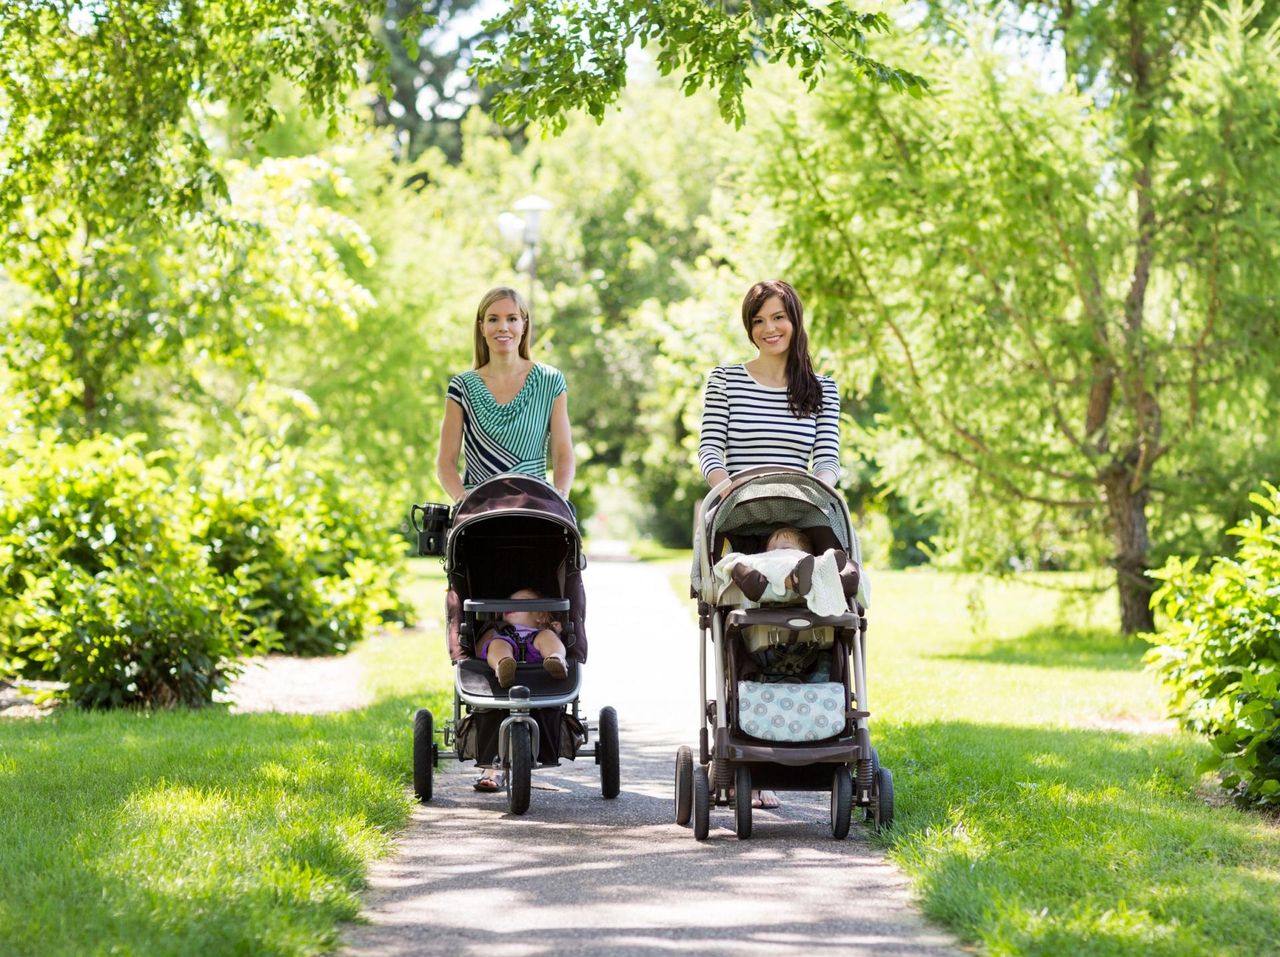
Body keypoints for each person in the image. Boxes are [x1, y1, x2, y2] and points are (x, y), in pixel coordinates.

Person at [698, 279, 843, 810]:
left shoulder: (820, 387)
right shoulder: (726, 381)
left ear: (795, 320)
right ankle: (756, 568)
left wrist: (823, 488)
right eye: (758, 320)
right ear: (749, 326)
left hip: (793, 509)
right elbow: (710, 450)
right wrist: (727, 487)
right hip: (740, 508)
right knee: (753, 557)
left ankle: (809, 567)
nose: (769, 329)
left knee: (788, 540)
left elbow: (826, 458)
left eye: (778, 317)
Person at [436, 285, 576, 791]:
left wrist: (556, 501)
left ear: (524, 326)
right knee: (483, 614)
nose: (503, 327)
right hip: (483, 519)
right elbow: (446, 464)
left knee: (546, 599)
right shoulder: (463, 387)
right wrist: (464, 505)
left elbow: (564, 456)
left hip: (538, 515)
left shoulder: (549, 381)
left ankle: (554, 676)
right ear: (481, 326)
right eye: (493, 319)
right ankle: (490, 755)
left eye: (512, 319)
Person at [478, 588, 570, 688]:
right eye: (508, 602)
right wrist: (490, 635)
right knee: (496, 644)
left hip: (538, 651)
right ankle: (503, 667)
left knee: (548, 636)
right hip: (507, 648)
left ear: (540, 615)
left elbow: (554, 640)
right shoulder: (497, 630)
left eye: (520, 602)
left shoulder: (542, 631)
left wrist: (555, 631)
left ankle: (556, 658)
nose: (511, 605)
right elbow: (479, 650)